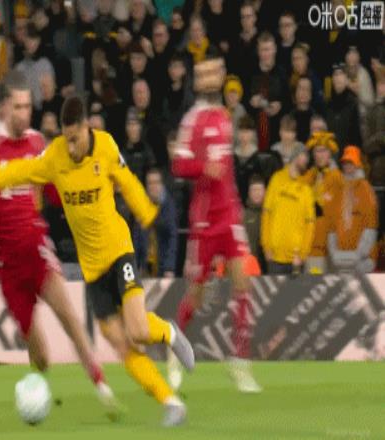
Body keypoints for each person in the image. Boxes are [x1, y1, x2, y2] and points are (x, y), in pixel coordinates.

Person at [0, 94, 195, 427]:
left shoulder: (105, 146)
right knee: (120, 344)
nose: (71, 146)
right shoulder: (56, 155)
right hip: (92, 270)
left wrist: (148, 214)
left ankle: (170, 333)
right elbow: (23, 170)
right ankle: (171, 402)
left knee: (138, 330)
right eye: (66, 138)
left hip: (119, 251)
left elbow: (128, 182)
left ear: (86, 127)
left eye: (75, 138)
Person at [0, 72, 119, 419]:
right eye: (18, 107)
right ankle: (35, 393)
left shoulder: (38, 143)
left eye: (28, 106)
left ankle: (103, 387)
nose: (25, 113)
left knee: (70, 317)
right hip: (8, 268)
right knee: (41, 357)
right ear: (3, 108)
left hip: (37, 251)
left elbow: (57, 187)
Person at [171, 56, 262, 393]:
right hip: (204, 221)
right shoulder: (192, 120)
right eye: (207, 74)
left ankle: (239, 364)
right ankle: (174, 351)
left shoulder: (225, 116)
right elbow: (178, 165)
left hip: (229, 216)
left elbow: (226, 168)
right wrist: (202, 169)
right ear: (199, 82)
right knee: (195, 297)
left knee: (243, 286)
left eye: (217, 73)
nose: (213, 78)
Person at [261, 144, 315, 275]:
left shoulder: (306, 189)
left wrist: (303, 254)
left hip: (295, 259)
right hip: (274, 257)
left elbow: (310, 224)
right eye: (305, 157)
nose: (307, 161)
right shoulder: (276, 179)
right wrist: (266, 246)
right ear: (296, 156)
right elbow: (266, 214)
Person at [327, 146, 378, 273]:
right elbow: (332, 225)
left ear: (358, 164)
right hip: (341, 259)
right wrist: (334, 253)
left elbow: (371, 227)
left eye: (351, 163)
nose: (347, 166)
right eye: (345, 163)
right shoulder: (339, 189)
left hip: (362, 260)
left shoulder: (366, 190)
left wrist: (358, 255)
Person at [303, 131, 343, 274]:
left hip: (334, 244)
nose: (320, 155)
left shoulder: (338, 178)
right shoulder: (308, 176)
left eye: (323, 151)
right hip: (314, 245)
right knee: (314, 282)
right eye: (317, 151)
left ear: (330, 153)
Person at [134, 168, 178, 278]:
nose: (153, 186)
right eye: (150, 183)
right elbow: (136, 238)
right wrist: (135, 266)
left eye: (156, 182)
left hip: (163, 266)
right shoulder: (141, 205)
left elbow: (172, 239)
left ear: (161, 184)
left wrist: (169, 267)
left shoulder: (168, 207)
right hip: (145, 266)